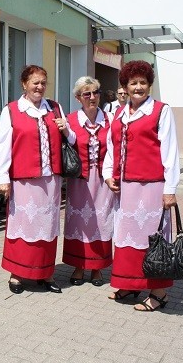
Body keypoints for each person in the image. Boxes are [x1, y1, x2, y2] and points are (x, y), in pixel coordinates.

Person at [103, 60, 180, 312]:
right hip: (125, 187)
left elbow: (170, 152)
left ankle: (159, 293)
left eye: (143, 83)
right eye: (133, 83)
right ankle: (129, 283)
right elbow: (112, 148)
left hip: (151, 187)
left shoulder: (161, 111)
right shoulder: (119, 113)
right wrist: (108, 174)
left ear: (150, 85)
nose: (138, 87)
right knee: (127, 238)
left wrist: (170, 189)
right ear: (125, 86)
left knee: (151, 238)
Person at [0, 64, 75, 294]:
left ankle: (45, 273)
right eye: (35, 82)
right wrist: (3, 177)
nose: (39, 87)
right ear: (24, 84)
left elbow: (71, 141)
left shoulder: (55, 108)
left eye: (43, 82)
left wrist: (66, 129)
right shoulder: (12, 110)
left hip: (51, 180)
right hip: (24, 180)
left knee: (47, 226)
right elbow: (3, 146)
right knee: (23, 225)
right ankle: (17, 274)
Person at [62, 77, 114, 287]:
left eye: (96, 92)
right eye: (87, 94)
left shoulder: (111, 119)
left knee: (101, 221)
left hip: (103, 180)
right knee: (79, 223)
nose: (93, 97)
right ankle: (79, 266)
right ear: (78, 98)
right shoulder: (70, 119)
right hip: (80, 181)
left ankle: (98, 268)